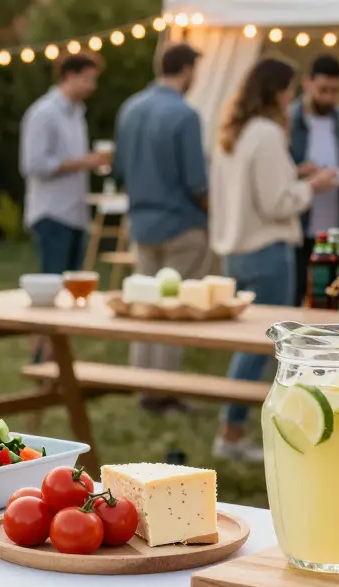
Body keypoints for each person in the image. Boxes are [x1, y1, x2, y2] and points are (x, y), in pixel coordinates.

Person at [209, 57, 337, 462]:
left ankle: (233, 427)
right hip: (267, 251)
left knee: (249, 343)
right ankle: (231, 433)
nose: (293, 97)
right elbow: (277, 203)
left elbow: (256, 190)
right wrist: (313, 186)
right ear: (277, 92)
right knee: (262, 346)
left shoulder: (237, 131)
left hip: (237, 250)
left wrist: (295, 174)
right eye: (290, 90)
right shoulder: (265, 133)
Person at [113, 43, 208, 415]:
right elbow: (197, 182)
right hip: (182, 223)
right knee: (174, 307)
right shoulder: (185, 115)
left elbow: (119, 169)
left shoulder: (130, 108)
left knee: (144, 304)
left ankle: (143, 386)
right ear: (185, 70)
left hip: (142, 222)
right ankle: (163, 389)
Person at [19, 53, 109, 276]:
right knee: (53, 285)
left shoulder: (77, 114)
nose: (92, 87)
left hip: (76, 213)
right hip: (52, 213)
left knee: (73, 286)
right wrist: (84, 162)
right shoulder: (44, 114)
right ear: (69, 76)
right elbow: (33, 164)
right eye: (88, 79)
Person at [287, 54, 339, 306]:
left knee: (331, 303)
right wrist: (299, 173)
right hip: (297, 228)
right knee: (293, 301)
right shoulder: (287, 121)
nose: (329, 97)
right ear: (307, 83)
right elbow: (275, 177)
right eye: (323, 90)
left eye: (335, 91)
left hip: (335, 231)